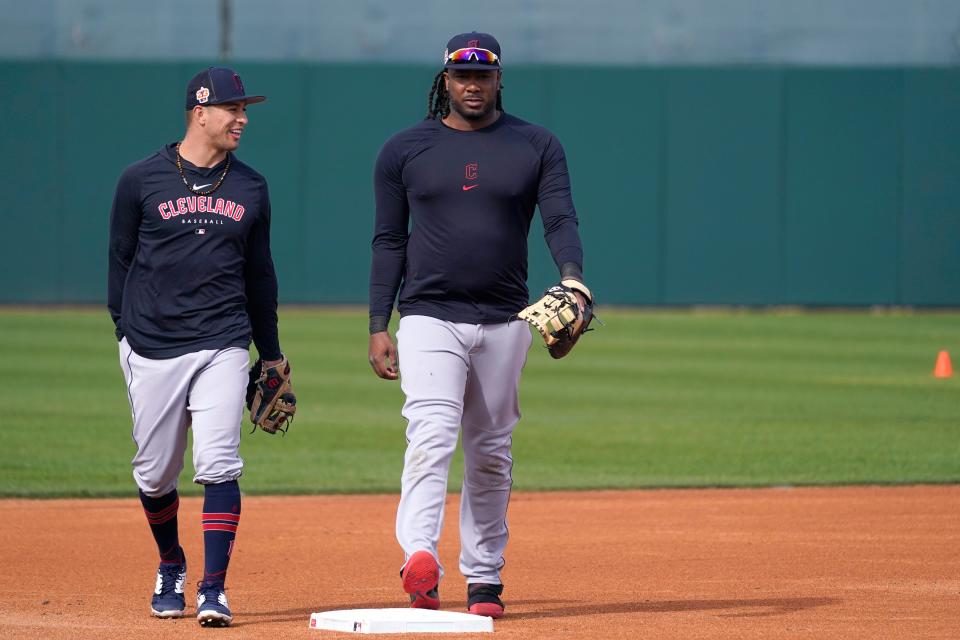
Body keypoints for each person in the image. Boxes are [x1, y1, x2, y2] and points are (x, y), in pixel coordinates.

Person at [368, 32, 590, 619]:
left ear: (499, 79)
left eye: (483, 75)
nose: (472, 84)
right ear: (444, 80)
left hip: (504, 318)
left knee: (490, 452)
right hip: (427, 316)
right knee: (431, 434)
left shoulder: (536, 144)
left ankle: (484, 578)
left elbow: (560, 217)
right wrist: (377, 321)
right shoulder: (404, 149)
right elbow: (389, 240)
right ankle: (419, 557)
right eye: (461, 75)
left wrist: (572, 278)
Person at [108, 67, 286, 628]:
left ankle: (213, 588)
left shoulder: (251, 186)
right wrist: (125, 331)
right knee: (155, 475)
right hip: (151, 344)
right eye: (233, 109)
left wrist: (271, 353)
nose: (243, 119)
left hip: (223, 342)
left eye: (245, 109)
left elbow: (260, 276)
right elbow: (119, 262)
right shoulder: (140, 180)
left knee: (219, 464)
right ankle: (171, 562)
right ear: (199, 112)